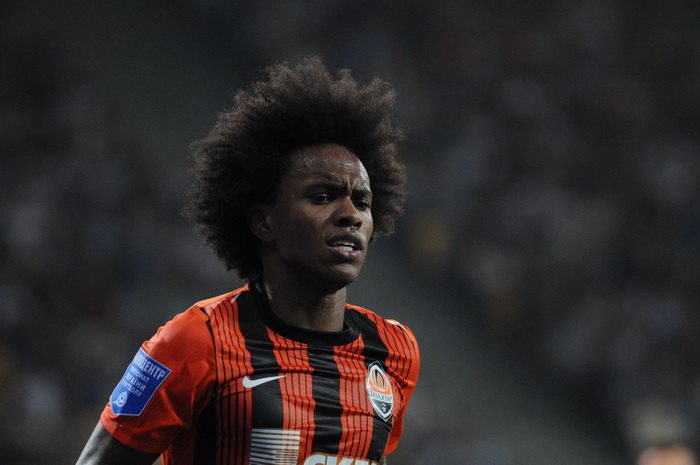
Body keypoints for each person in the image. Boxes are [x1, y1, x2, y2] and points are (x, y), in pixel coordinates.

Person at [75, 57, 420, 465]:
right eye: (322, 196)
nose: (351, 214)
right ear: (263, 221)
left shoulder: (394, 351)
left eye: (361, 201)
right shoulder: (195, 341)